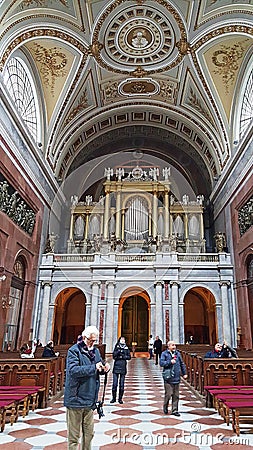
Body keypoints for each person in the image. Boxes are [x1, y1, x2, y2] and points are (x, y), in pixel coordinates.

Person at [64, 326, 110, 450]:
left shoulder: (95, 351)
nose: (92, 343)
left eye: (94, 341)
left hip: (90, 398)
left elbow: (98, 365)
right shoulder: (74, 351)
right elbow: (73, 371)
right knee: (74, 437)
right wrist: (94, 367)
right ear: (84, 337)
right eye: (90, 340)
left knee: (89, 434)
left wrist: (104, 367)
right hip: (76, 398)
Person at [160, 340, 187, 416]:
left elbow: (182, 363)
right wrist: (169, 362)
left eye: (175, 345)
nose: (174, 346)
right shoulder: (164, 354)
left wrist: (184, 373)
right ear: (168, 346)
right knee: (168, 394)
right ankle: (165, 406)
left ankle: (174, 410)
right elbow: (161, 363)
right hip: (168, 378)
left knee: (176, 395)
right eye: (172, 345)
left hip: (176, 377)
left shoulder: (177, 354)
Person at [110, 336, 131, 404]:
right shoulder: (117, 347)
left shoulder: (126, 348)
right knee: (114, 384)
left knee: (121, 385)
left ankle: (120, 398)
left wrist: (122, 356)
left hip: (123, 367)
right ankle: (113, 398)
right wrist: (119, 352)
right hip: (116, 367)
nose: (122, 340)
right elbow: (114, 356)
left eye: (123, 339)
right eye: (121, 339)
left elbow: (129, 357)